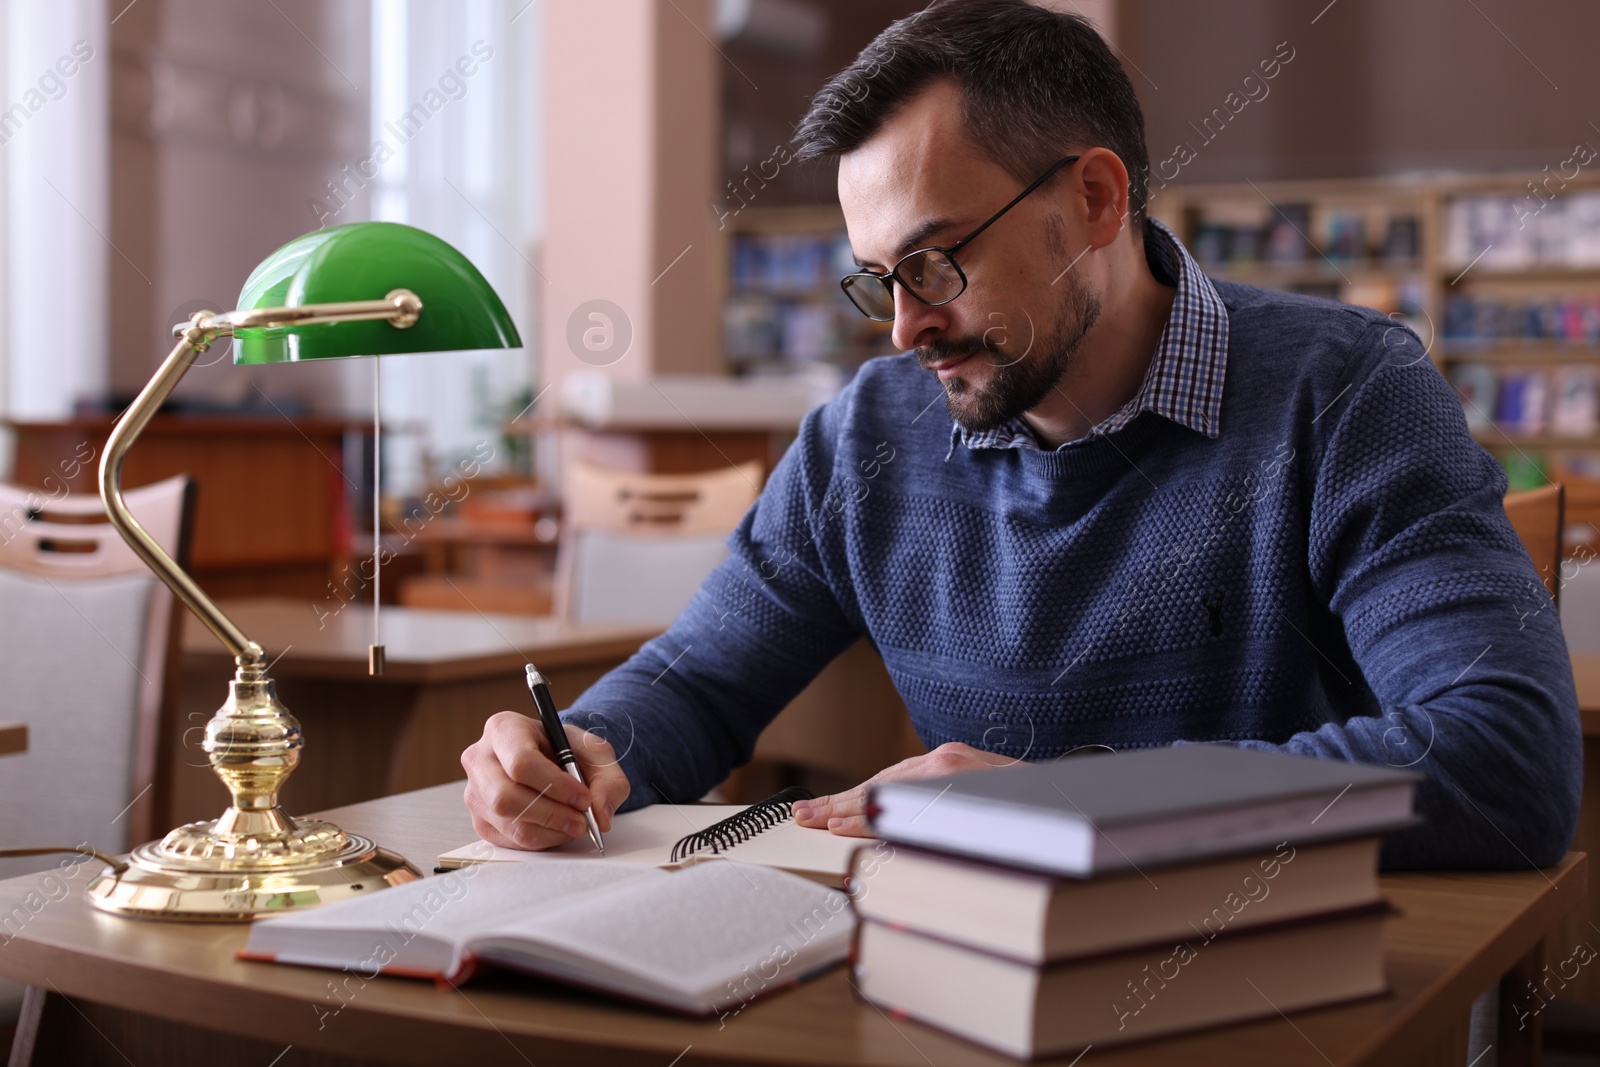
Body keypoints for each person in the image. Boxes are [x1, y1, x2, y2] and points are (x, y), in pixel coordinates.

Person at [462, 0, 1579, 869]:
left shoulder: (1345, 393)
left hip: (1274, 981)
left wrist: (1063, 799)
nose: (903, 329)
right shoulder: (867, 439)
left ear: (1096, 199)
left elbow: (1504, 759)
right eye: (877, 280)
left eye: (936, 262)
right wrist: (581, 754)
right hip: (957, 982)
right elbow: (700, 680)